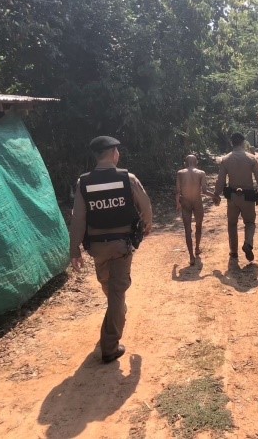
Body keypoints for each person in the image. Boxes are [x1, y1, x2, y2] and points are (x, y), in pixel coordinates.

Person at [69, 136, 153, 364]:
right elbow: (145, 206)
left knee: (110, 286)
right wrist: (147, 225)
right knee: (116, 293)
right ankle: (110, 346)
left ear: (96, 155)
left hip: (97, 247)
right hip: (121, 244)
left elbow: (78, 218)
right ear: (114, 153)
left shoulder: (83, 183)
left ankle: (116, 314)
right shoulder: (128, 178)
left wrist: (74, 249)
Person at [214, 132, 258, 262]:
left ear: (232, 143)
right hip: (248, 196)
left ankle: (234, 252)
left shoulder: (226, 159)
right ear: (243, 142)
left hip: (232, 196)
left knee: (232, 224)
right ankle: (248, 243)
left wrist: (216, 194)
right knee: (250, 222)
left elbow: (220, 180)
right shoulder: (251, 158)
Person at [176, 154, 220, 266]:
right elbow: (204, 191)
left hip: (185, 203)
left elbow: (177, 191)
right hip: (197, 203)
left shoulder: (180, 173)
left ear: (185, 163)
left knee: (187, 230)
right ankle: (197, 248)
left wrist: (178, 204)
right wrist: (215, 196)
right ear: (196, 162)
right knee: (198, 225)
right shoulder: (201, 173)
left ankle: (191, 257)